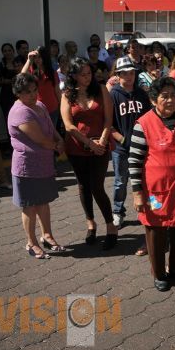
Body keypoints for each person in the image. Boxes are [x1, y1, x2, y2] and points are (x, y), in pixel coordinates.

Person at [129, 77, 175, 291]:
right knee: (156, 232)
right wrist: (137, 193)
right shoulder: (143, 124)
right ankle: (159, 274)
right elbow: (134, 161)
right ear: (154, 100)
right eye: (164, 96)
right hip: (156, 191)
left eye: (173, 95)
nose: (170, 100)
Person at [61, 57, 117, 250]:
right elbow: (68, 125)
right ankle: (91, 224)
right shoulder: (68, 94)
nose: (87, 77)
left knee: (97, 186)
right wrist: (88, 143)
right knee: (83, 186)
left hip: (100, 145)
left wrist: (101, 141)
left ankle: (111, 226)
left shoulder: (101, 90)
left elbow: (109, 119)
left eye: (89, 73)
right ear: (74, 76)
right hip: (77, 148)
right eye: (83, 74)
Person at [8, 73, 65, 259]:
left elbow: (51, 128)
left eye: (34, 90)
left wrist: (59, 138)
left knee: (44, 202)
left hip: (43, 164)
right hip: (27, 167)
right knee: (30, 207)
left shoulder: (39, 105)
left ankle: (47, 236)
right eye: (27, 92)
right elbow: (40, 139)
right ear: (17, 93)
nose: (33, 95)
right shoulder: (20, 111)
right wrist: (58, 147)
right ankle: (31, 243)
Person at [109, 57, 152, 229]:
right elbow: (108, 124)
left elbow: (150, 119)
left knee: (147, 179)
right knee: (121, 181)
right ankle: (118, 212)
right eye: (124, 73)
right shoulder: (113, 95)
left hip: (142, 146)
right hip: (121, 148)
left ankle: (150, 209)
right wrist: (122, 139)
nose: (129, 76)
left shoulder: (141, 94)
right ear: (118, 75)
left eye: (132, 72)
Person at [21, 47, 61, 126]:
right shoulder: (32, 72)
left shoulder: (52, 73)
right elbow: (22, 76)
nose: (37, 59)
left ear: (44, 57)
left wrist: (61, 107)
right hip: (36, 109)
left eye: (40, 57)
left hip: (52, 109)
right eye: (35, 57)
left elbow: (57, 91)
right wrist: (29, 60)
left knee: (51, 134)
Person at [0, 42, 18, 120]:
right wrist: (13, 81)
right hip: (6, 96)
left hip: (19, 95)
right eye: (5, 51)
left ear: (13, 51)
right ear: (2, 52)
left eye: (9, 50)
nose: (7, 52)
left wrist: (6, 80)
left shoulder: (19, 62)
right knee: (9, 119)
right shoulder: (0, 65)